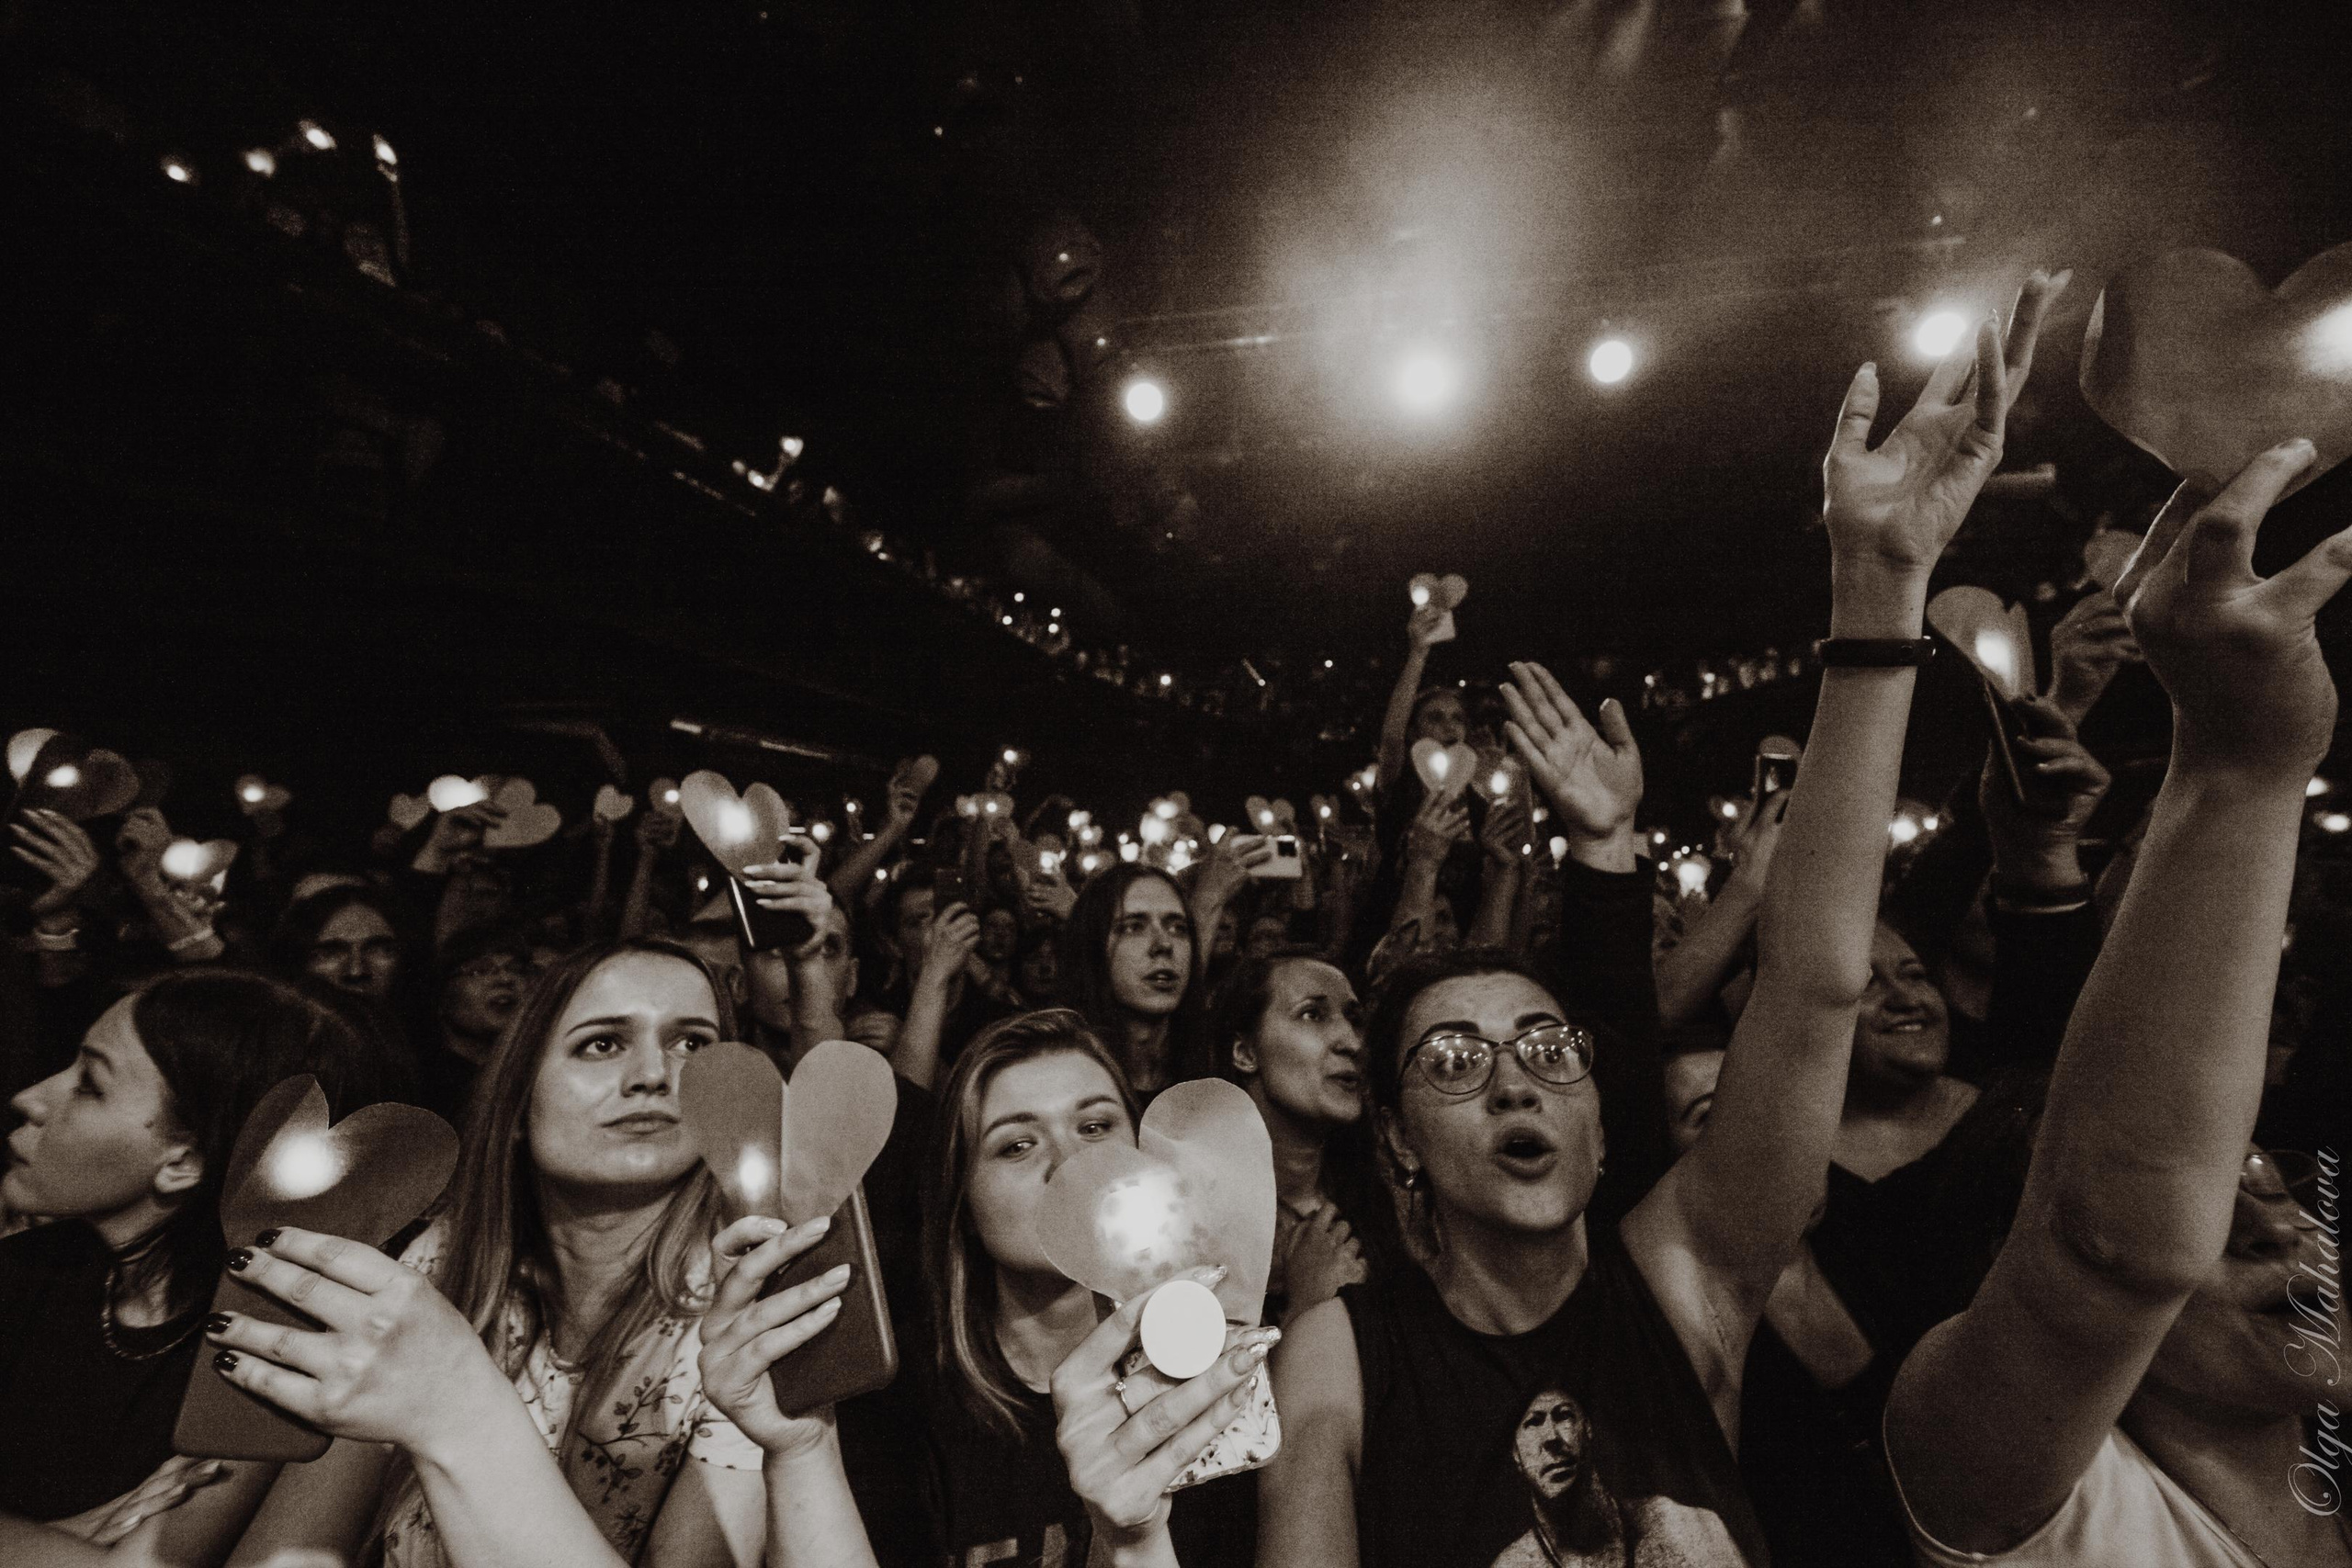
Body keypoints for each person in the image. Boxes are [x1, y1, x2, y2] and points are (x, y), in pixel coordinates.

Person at [1254, 271, 2064, 1568]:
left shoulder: (1685, 1281)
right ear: (1398, 1138)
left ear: (1593, 1107)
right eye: (1455, 1059)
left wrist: (1877, 601)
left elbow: (1811, 985)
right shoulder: (1343, 1355)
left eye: (1549, 1046)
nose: (1518, 1073)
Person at [1885, 439, 2352, 1565]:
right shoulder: (2025, 1499)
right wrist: (2238, 761)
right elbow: (2109, 1236)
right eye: (2213, 1197)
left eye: (2266, 1180)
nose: (2280, 1219)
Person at [225, 924, 832, 1566]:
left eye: (691, 1043)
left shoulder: (750, 1310)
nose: (655, 1074)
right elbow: (295, 1547)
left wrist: (460, 1408)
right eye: (603, 1044)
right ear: (518, 1104)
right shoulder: (446, 1258)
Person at [1, 970, 391, 1564]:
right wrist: (64, 1537)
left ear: (183, 1161)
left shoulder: (264, 1352)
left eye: (89, 1084)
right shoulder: (25, 1273)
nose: (29, 1098)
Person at [919, 1009, 1279, 1568]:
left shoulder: (1215, 1381)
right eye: (1017, 1145)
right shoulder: (911, 1414)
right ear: (962, 1204)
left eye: (1095, 1128)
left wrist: (1135, 1545)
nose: (1071, 1163)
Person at [1208, 949, 1372, 1325]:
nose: (1351, 1042)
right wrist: (1308, 1307)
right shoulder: (1188, 1215)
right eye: (1312, 1014)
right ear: (1245, 1052)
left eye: (1355, 1019)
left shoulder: (1386, 1205)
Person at [1060, 864, 1204, 1098]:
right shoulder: (1059, 1078)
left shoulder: (1215, 1077)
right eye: (1133, 927)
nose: (1164, 944)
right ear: (1093, 947)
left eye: (1178, 928)